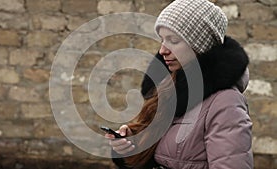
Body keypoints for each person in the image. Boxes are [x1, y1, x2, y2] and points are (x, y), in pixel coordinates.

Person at [105, 0, 253, 168]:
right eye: (162, 40)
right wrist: (132, 144)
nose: (162, 50)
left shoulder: (225, 102)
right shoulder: (169, 89)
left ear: (200, 46)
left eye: (173, 40)